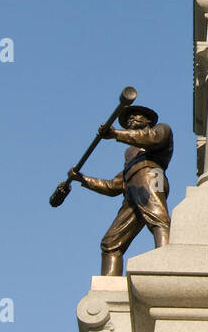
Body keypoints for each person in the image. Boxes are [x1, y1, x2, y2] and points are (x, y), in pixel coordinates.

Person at [70, 105, 172, 275]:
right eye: (128, 118)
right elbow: (114, 185)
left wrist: (116, 134)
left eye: (136, 115)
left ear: (148, 120)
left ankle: (166, 263)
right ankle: (109, 286)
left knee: (158, 219)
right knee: (110, 243)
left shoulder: (161, 129)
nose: (131, 118)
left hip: (153, 176)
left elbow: (152, 138)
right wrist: (82, 179)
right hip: (132, 189)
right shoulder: (131, 153)